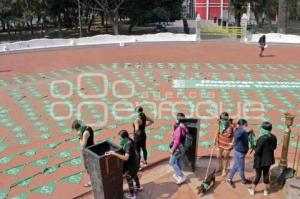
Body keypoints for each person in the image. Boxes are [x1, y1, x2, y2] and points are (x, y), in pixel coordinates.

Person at [106, 130, 142, 199]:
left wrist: (114, 153)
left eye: (120, 138)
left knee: (129, 179)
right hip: (135, 162)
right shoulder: (130, 140)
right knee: (134, 175)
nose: (119, 139)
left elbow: (126, 158)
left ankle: (132, 195)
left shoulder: (128, 145)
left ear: (125, 138)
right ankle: (138, 187)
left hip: (130, 165)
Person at [248, 122, 277, 196]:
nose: (260, 129)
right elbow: (274, 147)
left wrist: (253, 145)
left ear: (264, 129)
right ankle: (265, 191)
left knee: (258, 174)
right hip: (269, 160)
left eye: (261, 128)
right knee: (266, 174)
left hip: (260, 160)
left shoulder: (262, 138)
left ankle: (253, 190)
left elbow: (257, 151)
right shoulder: (274, 137)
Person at [227, 119, 251, 188]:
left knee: (235, 165)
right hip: (240, 152)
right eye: (246, 124)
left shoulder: (240, 130)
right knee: (241, 168)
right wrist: (233, 143)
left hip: (238, 150)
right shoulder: (241, 131)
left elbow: (243, 136)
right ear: (243, 124)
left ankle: (229, 179)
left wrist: (248, 132)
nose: (247, 125)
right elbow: (237, 136)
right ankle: (243, 180)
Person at [72, 120, 95, 187]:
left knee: (88, 167)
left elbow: (83, 145)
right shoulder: (88, 127)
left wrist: (80, 137)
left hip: (88, 152)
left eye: (76, 130)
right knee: (92, 166)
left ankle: (92, 181)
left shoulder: (85, 133)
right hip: (92, 148)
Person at [169, 113, 188, 185]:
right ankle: (178, 175)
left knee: (172, 162)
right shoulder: (184, 126)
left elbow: (176, 141)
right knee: (179, 160)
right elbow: (184, 133)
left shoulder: (178, 128)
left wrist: (172, 149)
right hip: (183, 148)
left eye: (176, 118)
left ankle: (181, 176)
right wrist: (174, 134)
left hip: (178, 148)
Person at [214, 112, 235, 176]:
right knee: (218, 156)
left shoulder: (232, 125)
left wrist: (233, 143)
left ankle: (224, 170)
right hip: (220, 142)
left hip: (228, 144)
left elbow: (235, 134)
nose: (223, 120)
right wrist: (215, 139)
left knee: (225, 157)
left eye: (225, 119)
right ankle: (220, 166)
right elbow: (217, 130)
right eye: (222, 119)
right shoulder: (219, 122)